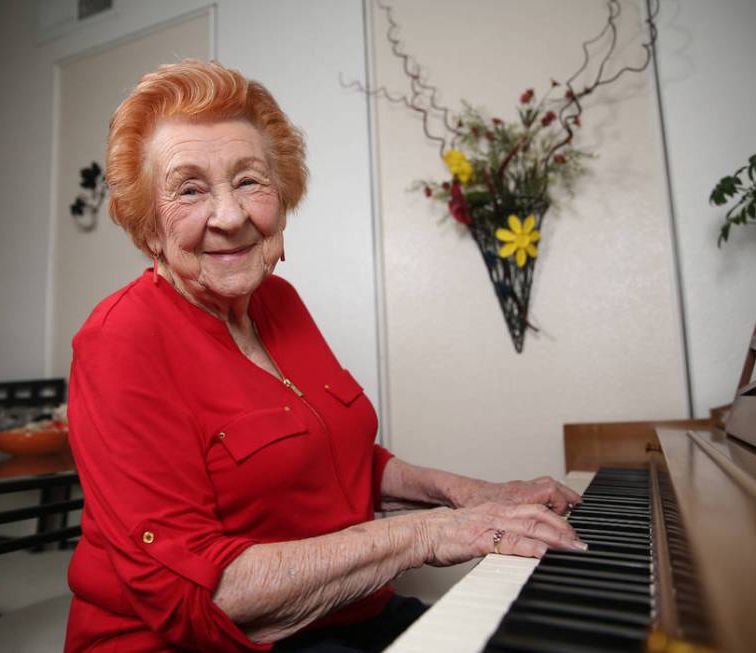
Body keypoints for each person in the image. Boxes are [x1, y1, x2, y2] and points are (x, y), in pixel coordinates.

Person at [64, 60, 584, 653]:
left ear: (283, 197)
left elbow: (344, 459)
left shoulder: (278, 300)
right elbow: (202, 591)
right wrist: (432, 534)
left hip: (340, 616)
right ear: (148, 227)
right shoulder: (120, 340)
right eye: (189, 188)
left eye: (249, 181)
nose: (230, 216)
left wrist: (469, 494)